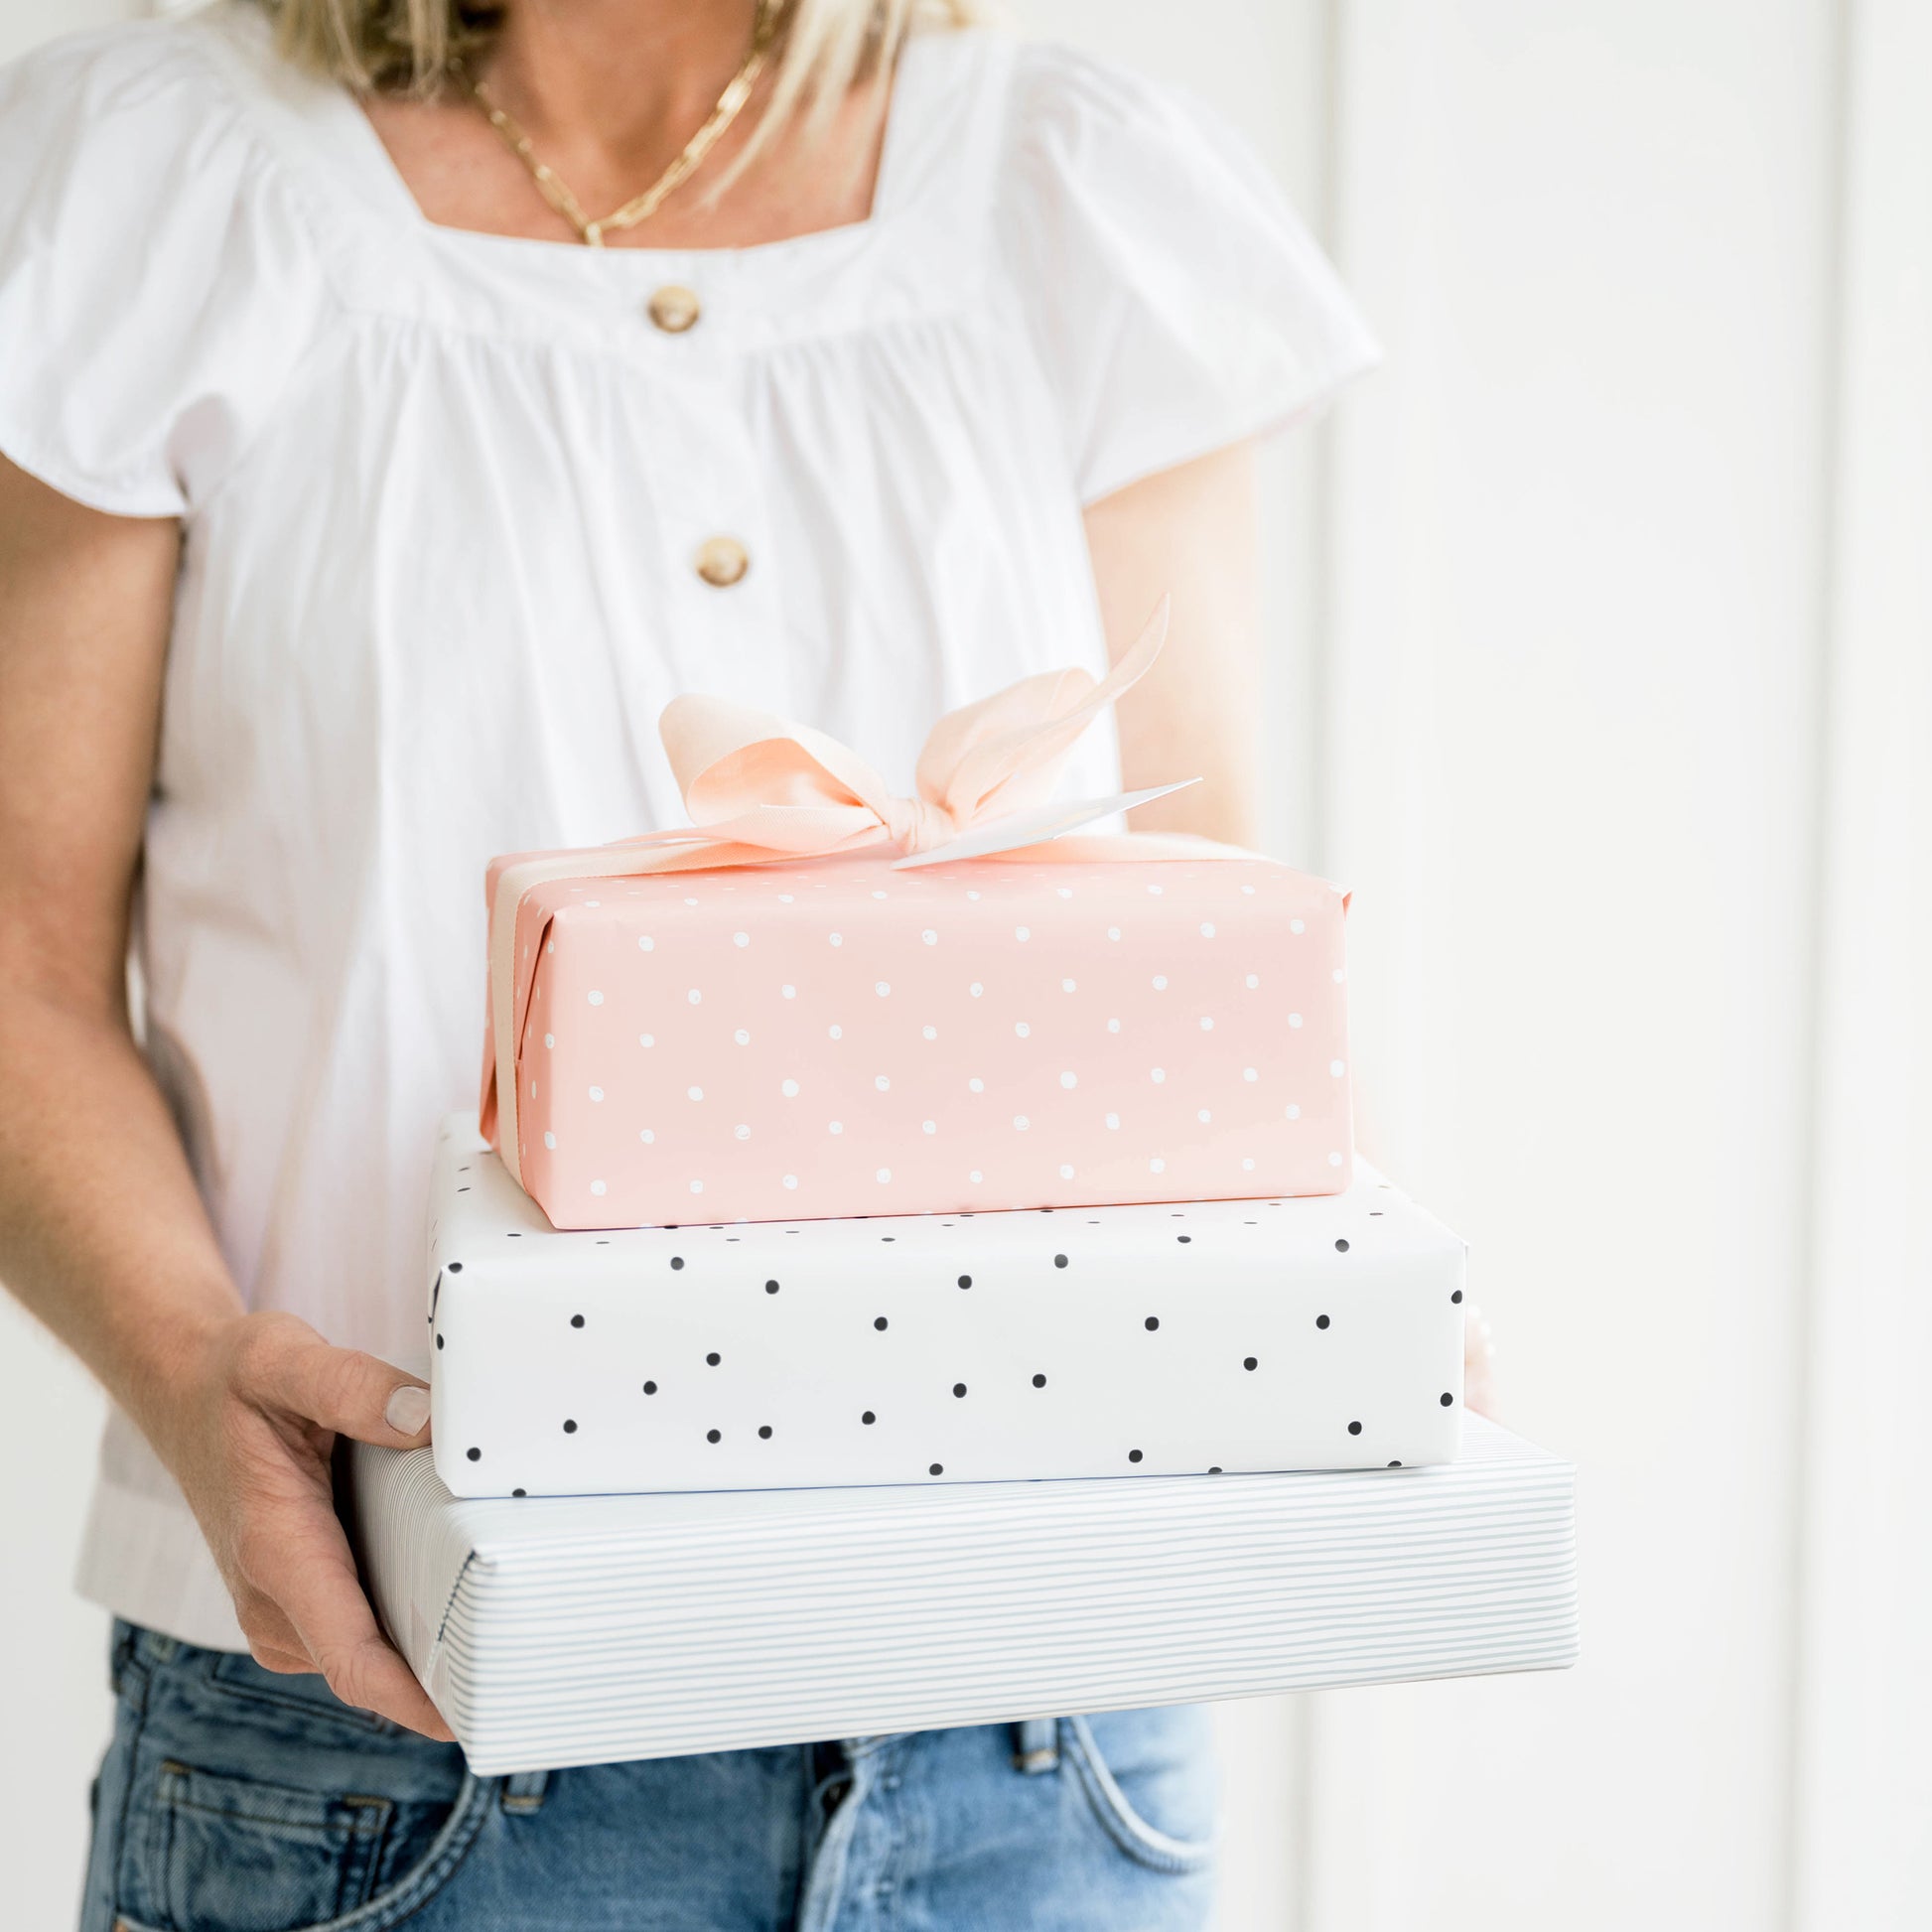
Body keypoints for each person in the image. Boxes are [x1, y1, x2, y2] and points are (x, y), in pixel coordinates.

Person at [0, 1, 1378, 1925]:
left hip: (1033, 1745)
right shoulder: (161, 165)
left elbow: (1207, 975)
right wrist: (189, 1368)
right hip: (389, 1715)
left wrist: (1334, 1313)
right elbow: (19, 965)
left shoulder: (1071, 179)